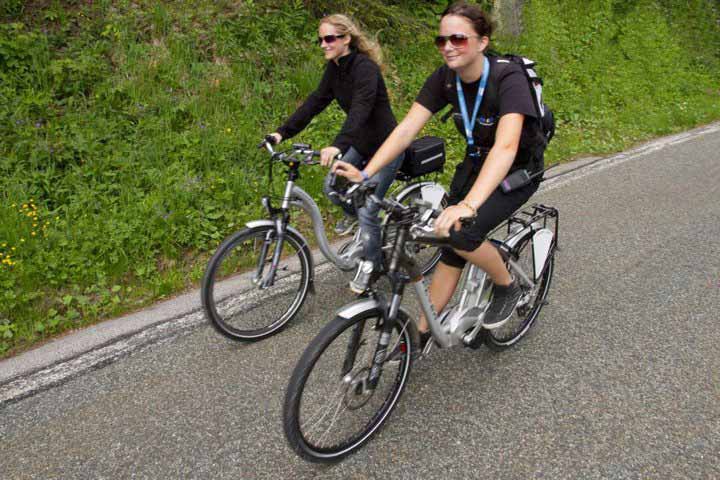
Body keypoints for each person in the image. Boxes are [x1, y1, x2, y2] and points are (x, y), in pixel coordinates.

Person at [333, 2, 547, 346]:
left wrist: (469, 205)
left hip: (518, 169)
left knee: (461, 232)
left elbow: (506, 147)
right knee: (447, 238)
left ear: (482, 41)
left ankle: (507, 286)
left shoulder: (508, 78)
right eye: (442, 39)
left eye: (459, 39)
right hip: (476, 162)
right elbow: (405, 131)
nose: (448, 46)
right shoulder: (445, 78)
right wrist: (366, 172)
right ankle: (420, 335)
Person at [268, 14, 403, 293]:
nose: (323, 44)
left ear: (346, 39)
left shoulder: (365, 69)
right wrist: (282, 132)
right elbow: (315, 102)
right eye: (320, 39)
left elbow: (361, 108)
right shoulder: (335, 68)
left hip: (387, 145)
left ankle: (373, 265)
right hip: (362, 143)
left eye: (329, 38)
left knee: (367, 209)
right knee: (332, 187)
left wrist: (338, 145)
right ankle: (371, 226)